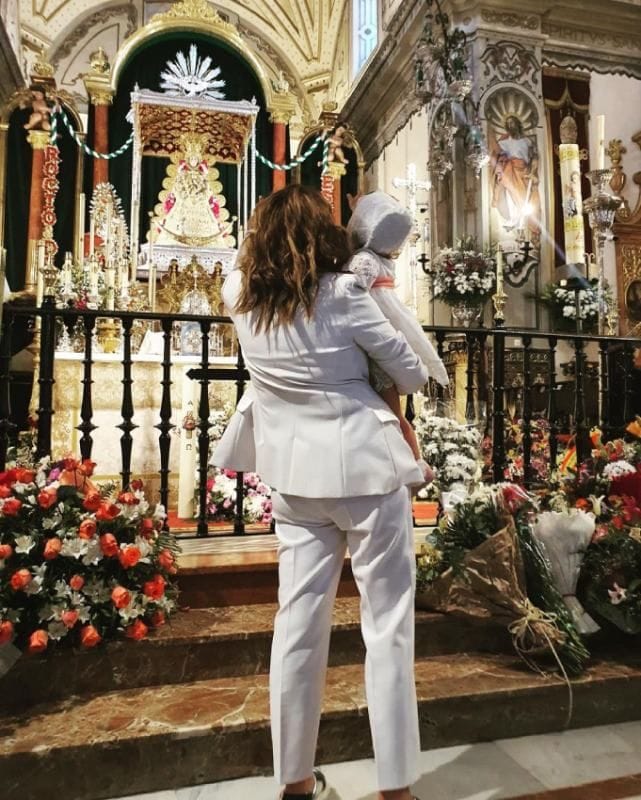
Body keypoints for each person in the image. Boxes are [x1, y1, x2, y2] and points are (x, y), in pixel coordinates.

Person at [213, 184, 428, 800]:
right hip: (367, 474)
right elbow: (409, 370)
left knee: (298, 626)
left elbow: (241, 258)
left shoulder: (241, 297)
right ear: (323, 237)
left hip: (296, 484)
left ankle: (296, 782)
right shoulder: (346, 294)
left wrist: (264, 239)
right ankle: (395, 787)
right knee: (386, 626)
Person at [347, 191, 449, 477]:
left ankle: (409, 464)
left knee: (392, 412)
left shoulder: (366, 260)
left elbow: (351, 296)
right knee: (391, 412)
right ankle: (409, 463)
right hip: (380, 332)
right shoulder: (373, 260)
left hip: (377, 335)